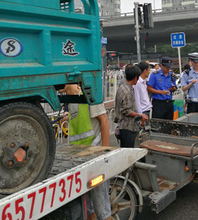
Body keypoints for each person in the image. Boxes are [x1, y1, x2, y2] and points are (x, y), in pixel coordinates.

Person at [63, 84, 112, 220]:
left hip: (94, 156)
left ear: (77, 86)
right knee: (89, 208)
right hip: (80, 158)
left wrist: (105, 152)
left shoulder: (89, 95)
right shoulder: (71, 100)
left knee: (103, 211)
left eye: (66, 86)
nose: (63, 89)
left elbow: (105, 121)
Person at [115, 65, 148, 148]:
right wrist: (140, 115)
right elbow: (126, 111)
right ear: (135, 78)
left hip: (125, 126)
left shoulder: (123, 87)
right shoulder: (127, 92)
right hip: (127, 127)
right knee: (128, 152)